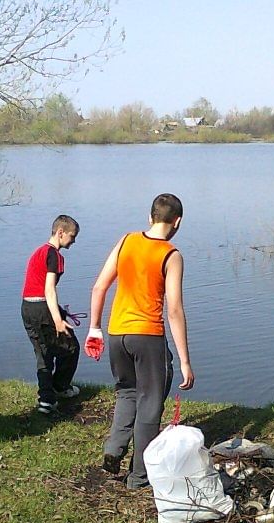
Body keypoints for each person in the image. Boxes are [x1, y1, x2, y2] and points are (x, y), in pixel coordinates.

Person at [85, 193, 194, 489]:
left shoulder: (126, 241)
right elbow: (173, 310)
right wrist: (184, 360)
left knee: (126, 393)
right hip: (147, 336)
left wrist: (94, 328)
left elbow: (99, 287)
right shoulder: (172, 255)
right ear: (178, 222)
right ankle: (138, 475)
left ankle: (114, 449)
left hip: (116, 333)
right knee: (150, 403)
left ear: (150, 217)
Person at [20, 215, 81, 414]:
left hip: (27, 308)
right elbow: (49, 290)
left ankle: (46, 400)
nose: (73, 241)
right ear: (60, 232)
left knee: (43, 352)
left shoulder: (38, 251)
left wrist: (60, 311)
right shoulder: (54, 255)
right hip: (42, 309)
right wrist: (58, 320)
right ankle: (60, 387)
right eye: (72, 236)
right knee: (71, 347)